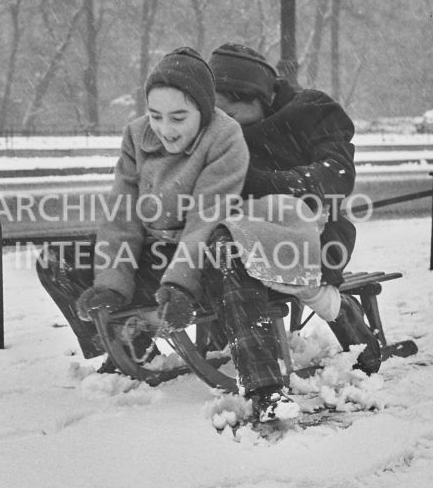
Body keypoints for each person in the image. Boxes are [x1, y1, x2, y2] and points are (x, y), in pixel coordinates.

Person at [35, 46, 305, 422]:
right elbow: (122, 217)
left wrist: (179, 286)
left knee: (224, 249)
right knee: (56, 259)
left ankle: (265, 388)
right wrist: (112, 285)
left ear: (203, 111)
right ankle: (131, 351)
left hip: (205, 257)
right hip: (155, 253)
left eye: (178, 117)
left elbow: (205, 219)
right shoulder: (136, 137)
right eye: (156, 115)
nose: (165, 129)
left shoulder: (225, 137)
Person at [209, 41, 381, 371]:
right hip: (242, 232)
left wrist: (263, 186)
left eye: (230, 114)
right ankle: (232, 344)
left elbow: (336, 176)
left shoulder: (312, 111)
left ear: (256, 96)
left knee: (245, 250)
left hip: (319, 232)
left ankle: (337, 310)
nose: (225, 124)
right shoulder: (222, 131)